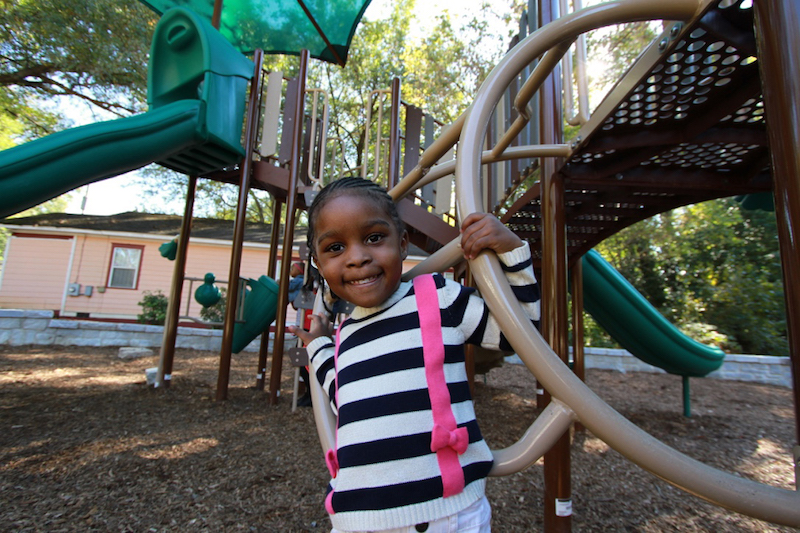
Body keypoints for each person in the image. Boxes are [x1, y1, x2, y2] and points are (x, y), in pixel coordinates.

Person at [290, 177, 540, 533]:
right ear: (318, 262)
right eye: (335, 248)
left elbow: (521, 333)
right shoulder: (347, 331)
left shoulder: (437, 298)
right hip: (355, 517)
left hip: (442, 513)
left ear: (403, 243)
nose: (358, 258)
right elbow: (341, 395)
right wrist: (318, 344)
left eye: (374, 238)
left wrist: (512, 251)